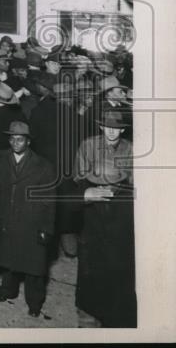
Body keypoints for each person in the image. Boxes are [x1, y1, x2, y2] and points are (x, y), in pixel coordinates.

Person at [72, 109, 136, 327]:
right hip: (92, 211)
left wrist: (117, 188)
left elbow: (134, 182)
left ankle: (111, 315)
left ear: (123, 129)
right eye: (107, 127)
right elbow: (77, 177)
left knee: (117, 264)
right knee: (90, 264)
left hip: (119, 211)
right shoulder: (88, 145)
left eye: (116, 128)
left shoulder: (130, 149)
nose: (111, 131)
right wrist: (91, 192)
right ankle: (87, 315)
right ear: (100, 127)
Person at [0, 121, 56, 318]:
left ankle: (34, 303)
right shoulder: (0, 158)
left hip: (32, 223)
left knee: (34, 267)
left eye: (20, 139)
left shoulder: (43, 165)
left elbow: (49, 200)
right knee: (8, 259)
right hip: (7, 220)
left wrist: (46, 228)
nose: (15, 142)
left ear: (28, 141)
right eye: (11, 138)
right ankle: (7, 290)